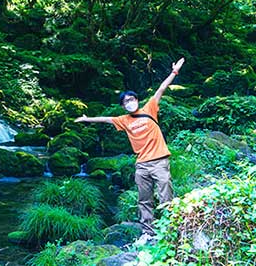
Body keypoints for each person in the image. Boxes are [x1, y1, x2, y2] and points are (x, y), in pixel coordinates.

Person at [74, 58, 185, 241]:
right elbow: (106, 119)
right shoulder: (124, 120)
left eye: (132, 99)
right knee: (144, 198)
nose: (130, 103)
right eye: (126, 102)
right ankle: (148, 231)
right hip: (141, 164)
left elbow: (161, 89)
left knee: (166, 194)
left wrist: (174, 72)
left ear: (137, 100)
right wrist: (87, 119)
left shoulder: (149, 108)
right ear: (123, 106)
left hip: (159, 161)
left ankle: (171, 227)